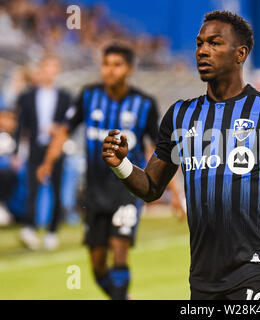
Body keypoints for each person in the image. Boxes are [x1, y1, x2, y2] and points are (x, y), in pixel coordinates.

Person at [102, 11, 260, 300]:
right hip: (202, 278)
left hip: (257, 271)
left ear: (240, 53)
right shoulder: (180, 116)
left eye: (214, 43)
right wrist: (121, 165)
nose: (202, 51)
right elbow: (151, 187)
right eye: (199, 44)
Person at [36, 43, 186, 300]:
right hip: (94, 192)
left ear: (129, 69)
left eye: (117, 65)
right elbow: (64, 131)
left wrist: (173, 192)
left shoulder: (144, 103)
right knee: (96, 264)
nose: (110, 70)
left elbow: (160, 151)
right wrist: (48, 162)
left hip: (127, 190)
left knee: (119, 249)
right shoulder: (87, 96)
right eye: (106, 64)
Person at [15, 54, 72, 250]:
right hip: (35, 148)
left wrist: (58, 130)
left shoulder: (65, 97)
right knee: (33, 189)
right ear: (41, 69)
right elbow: (19, 126)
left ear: (57, 71)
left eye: (53, 67)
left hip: (56, 149)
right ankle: (29, 228)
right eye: (46, 67)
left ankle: (52, 231)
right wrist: (16, 152)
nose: (49, 71)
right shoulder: (27, 96)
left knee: (57, 190)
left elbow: (70, 125)